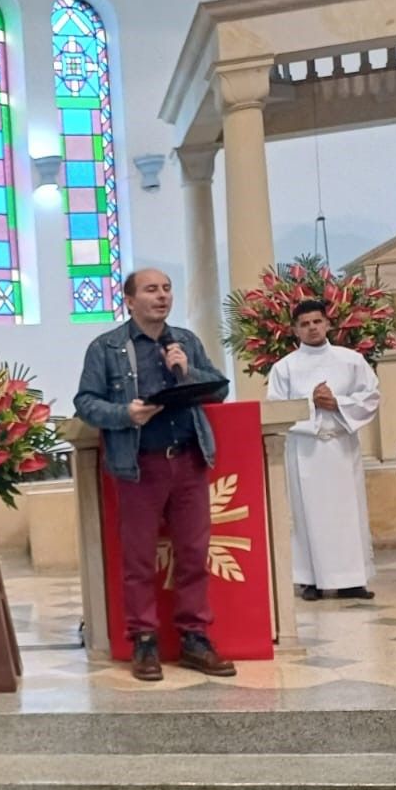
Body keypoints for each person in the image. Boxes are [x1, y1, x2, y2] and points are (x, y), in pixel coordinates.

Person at [73, 268, 236, 682]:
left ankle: (195, 638)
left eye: (166, 289)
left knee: (194, 554)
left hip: (187, 459)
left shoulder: (186, 341)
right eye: (151, 290)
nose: (161, 297)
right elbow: (86, 402)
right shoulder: (106, 348)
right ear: (129, 300)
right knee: (139, 559)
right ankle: (143, 640)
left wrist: (187, 370)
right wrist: (124, 414)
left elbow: (219, 389)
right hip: (139, 463)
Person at [266, 298, 381, 601]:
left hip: (341, 447)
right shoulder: (284, 367)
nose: (312, 328)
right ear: (295, 330)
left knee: (347, 512)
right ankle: (310, 580)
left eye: (317, 321)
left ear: (328, 324)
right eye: (304, 324)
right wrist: (311, 403)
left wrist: (338, 404)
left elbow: (370, 396)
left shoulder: (351, 360)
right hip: (306, 449)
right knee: (307, 516)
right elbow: (276, 408)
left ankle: (352, 579)